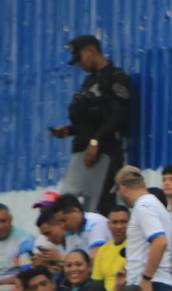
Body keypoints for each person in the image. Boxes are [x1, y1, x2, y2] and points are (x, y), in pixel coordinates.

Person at [51, 35, 130, 212]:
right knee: (76, 206)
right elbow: (90, 119)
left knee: (101, 204)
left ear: (91, 51)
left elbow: (118, 116)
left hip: (104, 153)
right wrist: (69, 130)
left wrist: (96, 141)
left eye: (80, 59)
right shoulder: (89, 81)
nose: (80, 64)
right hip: (83, 153)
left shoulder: (115, 78)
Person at [113, 165, 172, 291]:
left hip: (150, 288)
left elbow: (159, 242)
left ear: (122, 188)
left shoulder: (143, 207)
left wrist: (145, 279)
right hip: (159, 284)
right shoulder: (156, 205)